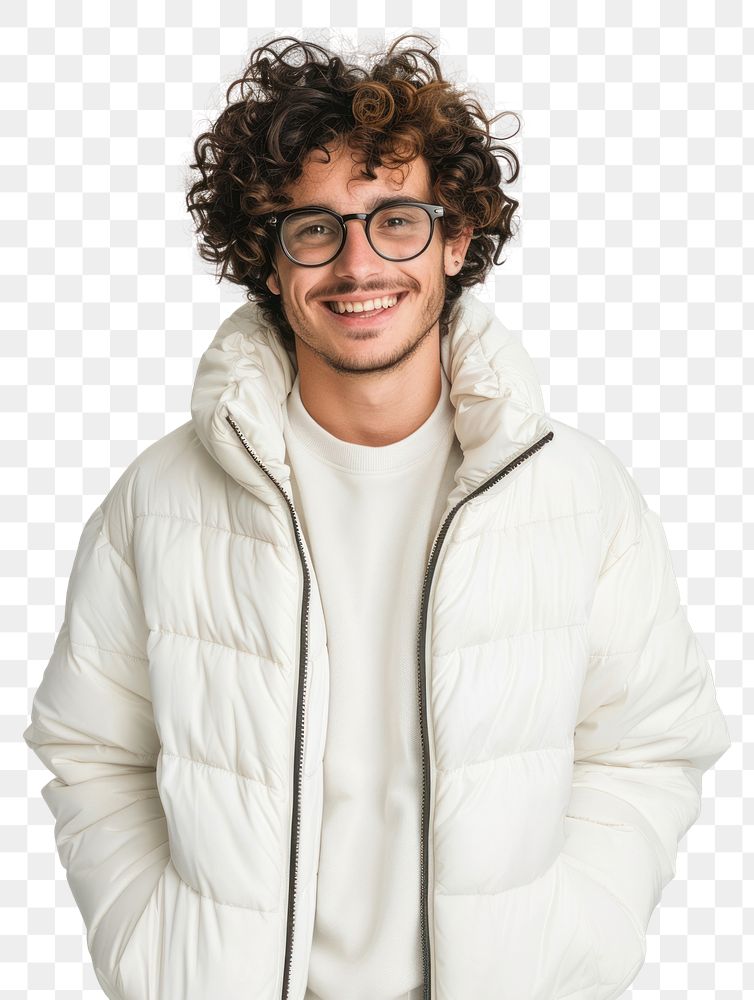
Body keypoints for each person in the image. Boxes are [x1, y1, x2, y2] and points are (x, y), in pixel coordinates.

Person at [23, 32, 730, 1000]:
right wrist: (160, 958)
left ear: (454, 240)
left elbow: (645, 741)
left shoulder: (574, 493)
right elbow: (95, 749)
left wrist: (569, 942)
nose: (357, 263)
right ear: (267, 264)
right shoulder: (163, 497)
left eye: (394, 220)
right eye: (312, 228)